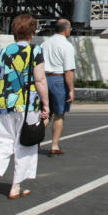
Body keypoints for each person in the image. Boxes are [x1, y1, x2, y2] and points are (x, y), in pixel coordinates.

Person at [0, 14, 49, 203]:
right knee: (25, 144)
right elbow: (39, 79)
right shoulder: (35, 50)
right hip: (26, 104)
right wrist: (46, 104)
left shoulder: (3, 52)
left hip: (3, 104)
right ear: (32, 32)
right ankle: (15, 187)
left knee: (2, 144)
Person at [41, 18, 75, 156]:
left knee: (44, 113)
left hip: (43, 79)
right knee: (59, 114)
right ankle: (54, 145)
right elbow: (69, 71)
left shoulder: (44, 44)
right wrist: (71, 90)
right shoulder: (67, 46)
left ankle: (34, 141)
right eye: (70, 28)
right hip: (58, 79)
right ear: (66, 29)